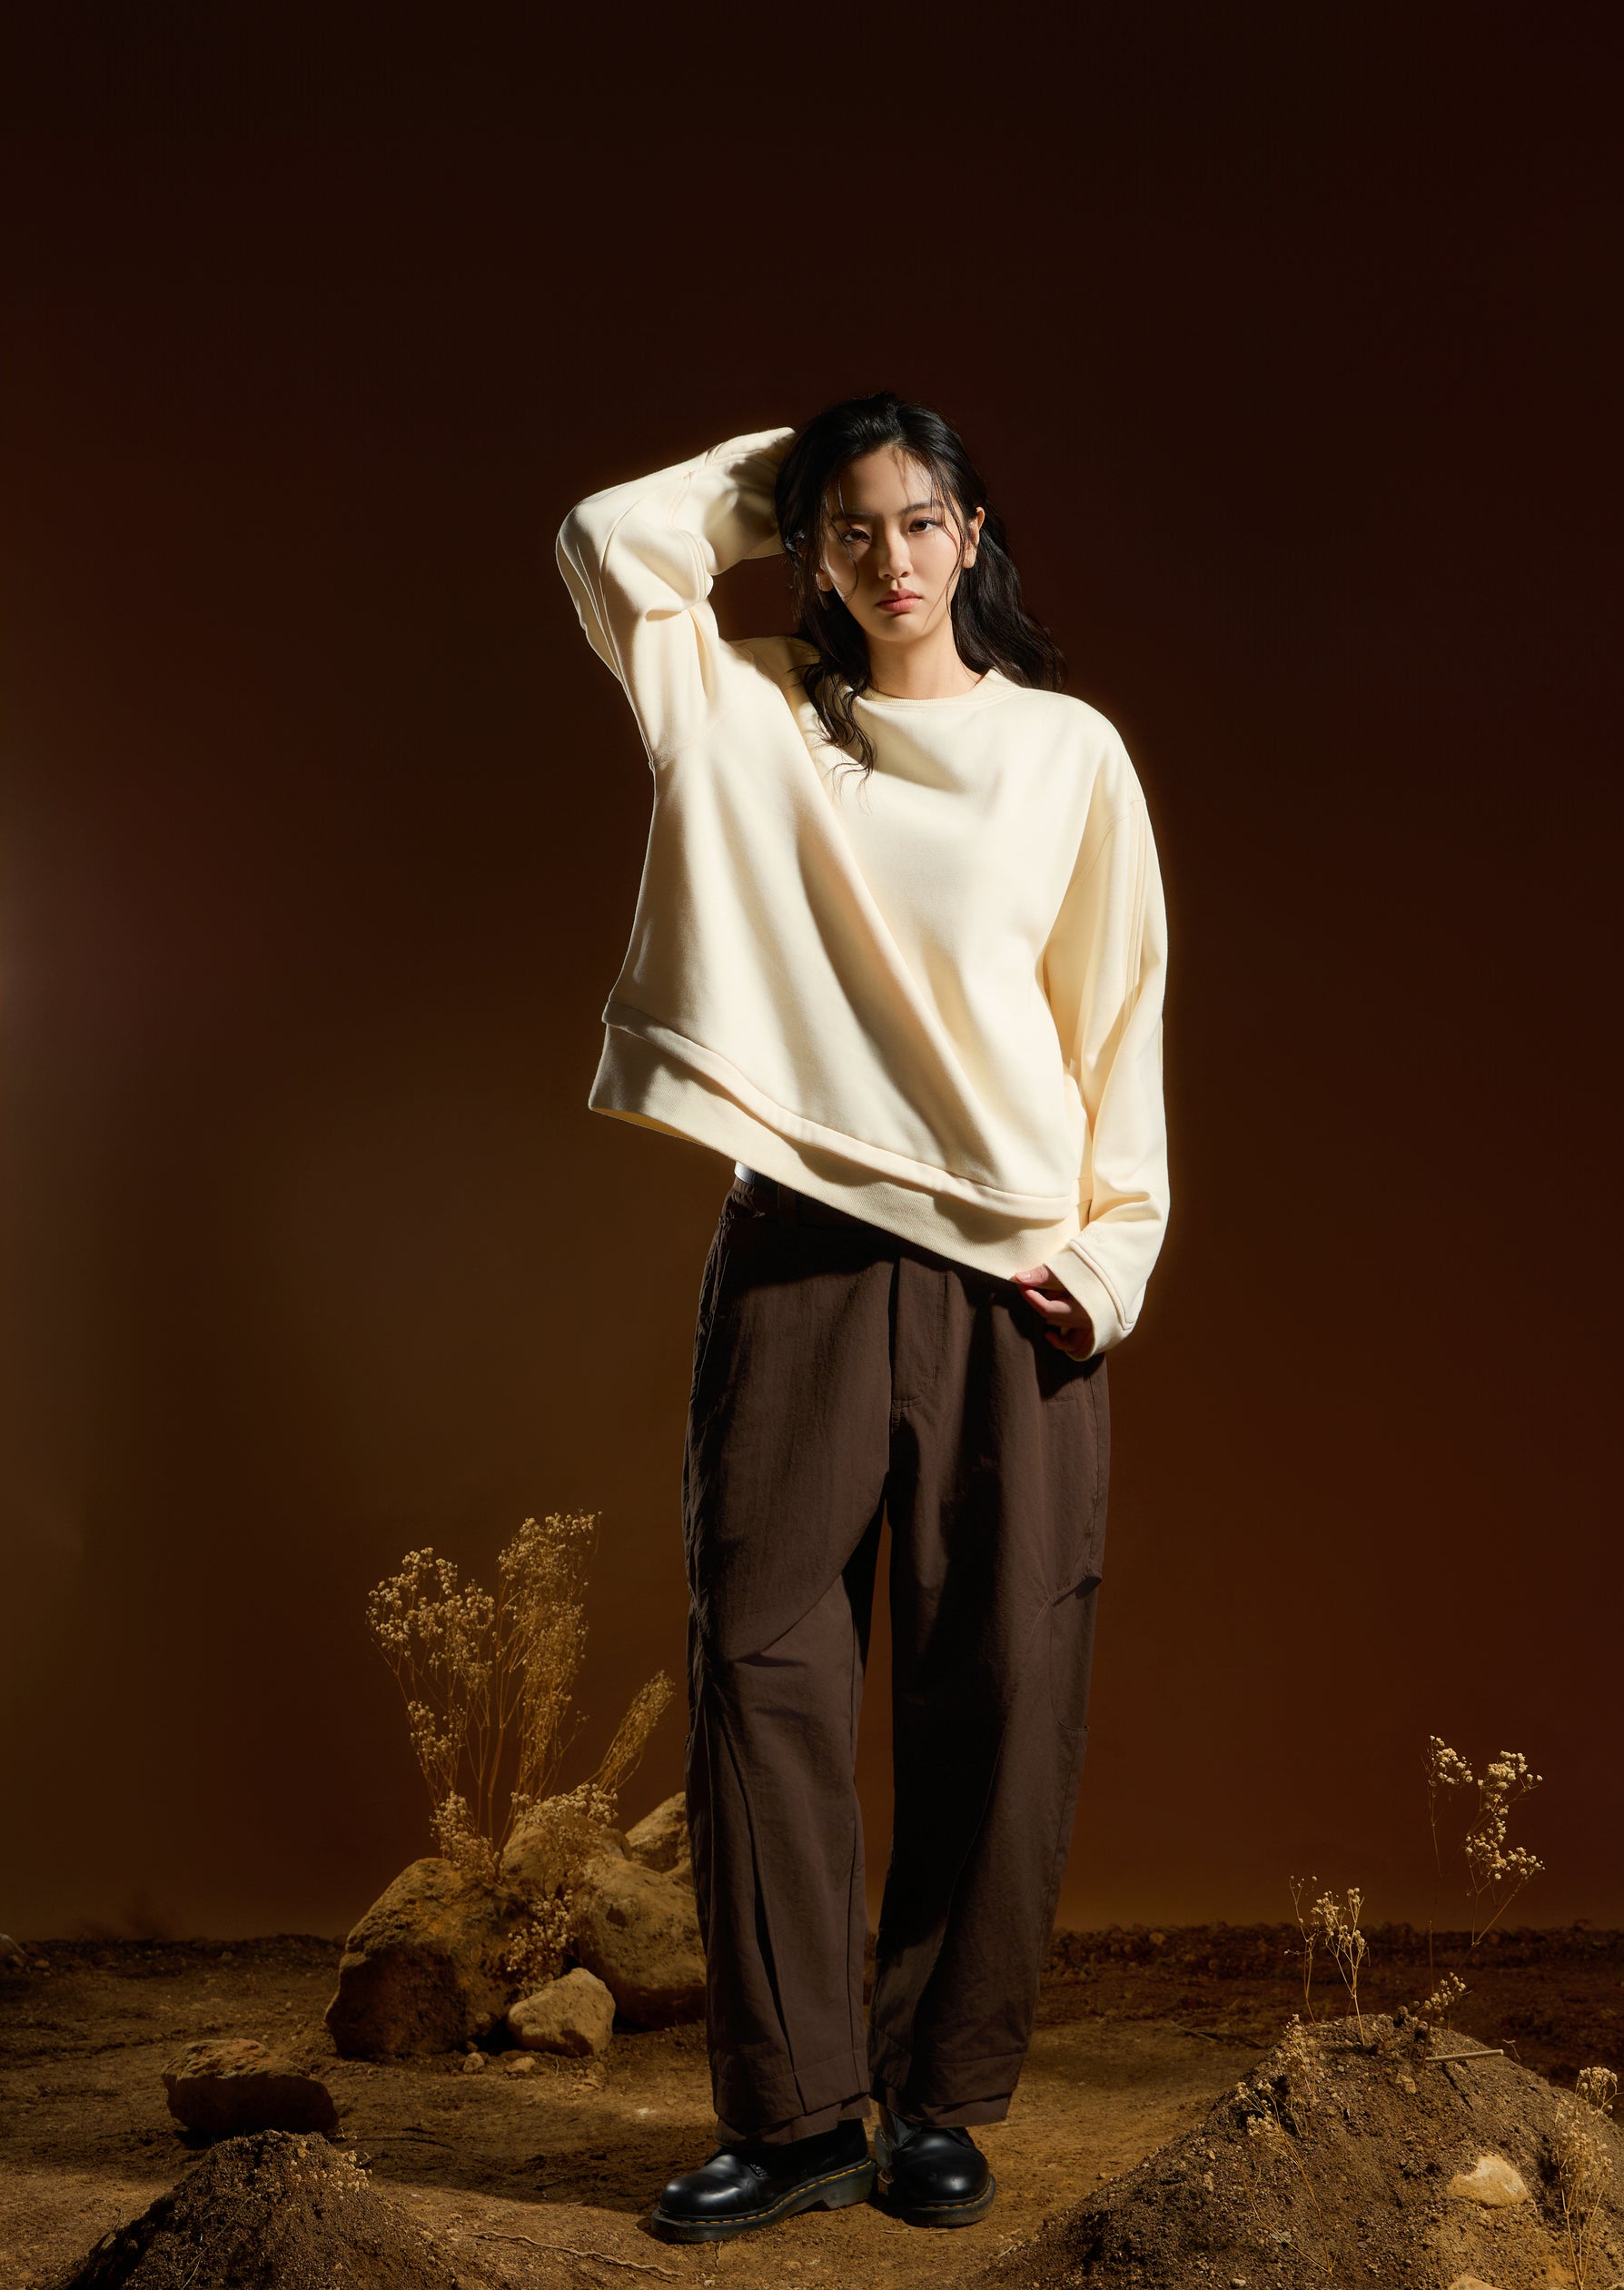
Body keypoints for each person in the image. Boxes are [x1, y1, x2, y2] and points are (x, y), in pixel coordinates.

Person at [554, 393, 1170, 2241]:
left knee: (1000, 1687)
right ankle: (800, 2115)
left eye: (919, 521)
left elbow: (1117, 1019)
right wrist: (784, 474)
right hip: (799, 1255)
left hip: (1011, 1279)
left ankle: (938, 2101)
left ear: (972, 534)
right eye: (848, 528)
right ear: (806, 549)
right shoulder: (744, 714)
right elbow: (603, 539)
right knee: (761, 1672)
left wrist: (1113, 1260)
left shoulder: (1065, 752)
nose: (889, 560)